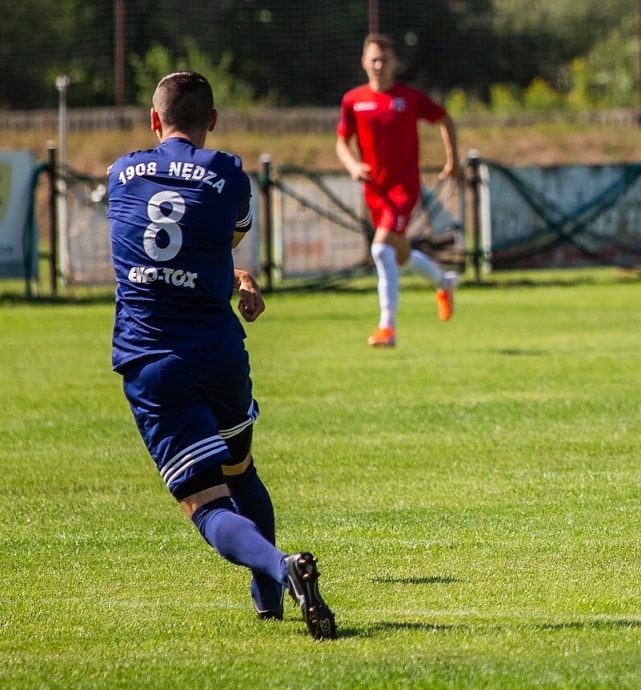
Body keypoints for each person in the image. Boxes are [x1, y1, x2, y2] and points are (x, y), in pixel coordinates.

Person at [109, 71, 336, 640]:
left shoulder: (120, 174)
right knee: (240, 469)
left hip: (154, 361)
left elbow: (158, 242)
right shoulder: (228, 172)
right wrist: (236, 276)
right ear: (212, 121)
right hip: (219, 354)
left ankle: (281, 569)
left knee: (207, 504)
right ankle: (269, 604)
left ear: (154, 121)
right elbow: (215, 238)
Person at [336, 33, 460, 347]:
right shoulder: (353, 100)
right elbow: (341, 141)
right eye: (373, 59)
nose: (378, 65)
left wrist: (453, 161)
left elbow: (445, 118)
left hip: (403, 190)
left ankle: (386, 328)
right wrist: (353, 166)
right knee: (399, 255)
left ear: (395, 63)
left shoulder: (409, 98)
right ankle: (444, 282)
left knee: (380, 249)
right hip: (374, 192)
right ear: (364, 62)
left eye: (384, 59)